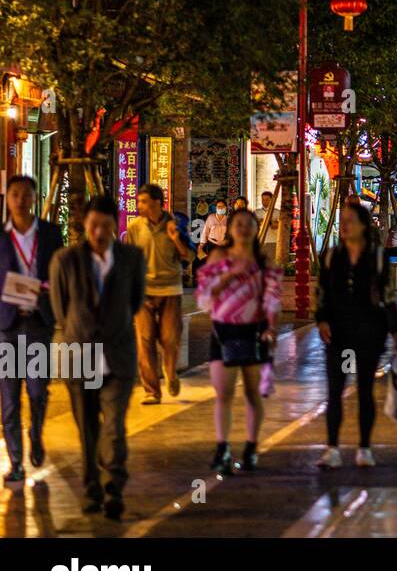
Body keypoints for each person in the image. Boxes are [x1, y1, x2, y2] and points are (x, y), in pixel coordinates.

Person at [49, 195, 146, 520]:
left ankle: (114, 487)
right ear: (85, 225)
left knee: (114, 427)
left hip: (118, 356)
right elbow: (61, 309)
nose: (100, 232)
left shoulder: (131, 258)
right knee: (87, 430)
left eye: (106, 225)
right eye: (94, 225)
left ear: (115, 226)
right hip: (80, 354)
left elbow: (135, 301)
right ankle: (91, 487)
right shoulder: (65, 260)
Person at [314, 200, 397, 469]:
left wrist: (396, 330)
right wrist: (321, 321)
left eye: (350, 220)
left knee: (365, 390)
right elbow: (322, 293)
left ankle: (364, 447)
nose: (344, 226)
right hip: (339, 334)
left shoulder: (377, 257)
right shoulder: (331, 256)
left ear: (363, 226)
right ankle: (332, 448)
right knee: (336, 389)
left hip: (369, 334)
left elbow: (387, 296)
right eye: (342, 221)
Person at [197, 208, 281, 472]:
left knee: (252, 393)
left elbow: (272, 298)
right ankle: (222, 447)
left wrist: (271, 328)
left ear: (256, 229)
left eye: (249, 224)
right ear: (230, 229)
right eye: (239, 224)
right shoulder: (218, 258)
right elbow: (203, 298)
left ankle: (251, 447)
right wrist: (228, 276)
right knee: (223, 393)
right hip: (223, 331)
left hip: (254, 331)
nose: (243, 228)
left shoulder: (264, 262)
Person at [0, 175, 63, 483]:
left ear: (36, 198)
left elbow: (60, 273)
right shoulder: (0, 236)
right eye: (15, 194)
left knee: (37, 390)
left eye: (26, 194)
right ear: (8, 198)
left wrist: (50, 289)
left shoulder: (51, 234)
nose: (21, 200)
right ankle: (16, 462)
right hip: (7, 327)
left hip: (38, 323)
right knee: (9, 397)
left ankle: (35, 434)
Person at [125, 184, 194, 404]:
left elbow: (189, 256)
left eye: (144, 201)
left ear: (157, 203)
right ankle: (152, 390)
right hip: (143, 292)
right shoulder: (134, 227)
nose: (140, 206)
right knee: (145, 342)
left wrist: (175, 238)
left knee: (169, 339)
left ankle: (171, 372)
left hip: (170, 290)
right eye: (139, 201)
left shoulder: (177, 224)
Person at [253, 190, 279, 262]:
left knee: (272, 262)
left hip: (273, 241)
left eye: (267, 200)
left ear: (271, 200)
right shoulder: (256, 212)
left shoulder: (277, 212)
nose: (265, 202)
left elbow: (278, 226)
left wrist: (268, 222)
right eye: (263, 200)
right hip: (260, 241)